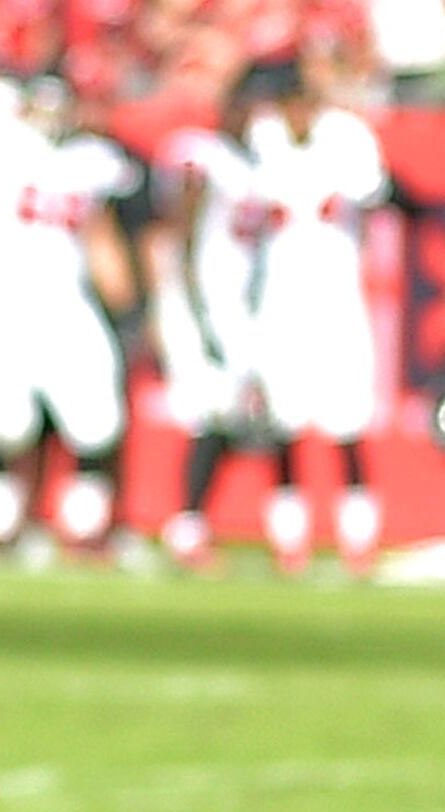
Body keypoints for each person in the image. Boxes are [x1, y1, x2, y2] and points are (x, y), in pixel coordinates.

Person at [0, 74, 142, 560]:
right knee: (8, 423)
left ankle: (83, 528)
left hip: (66, 305)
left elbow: (99, 232)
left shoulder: (91, 161)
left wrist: (121, 292)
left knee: (97, 417)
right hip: (3, 303)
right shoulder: (5, 141)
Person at [240, 60, 391, 573]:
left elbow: (377, 190)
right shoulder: (259, 143)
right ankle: (290, 537)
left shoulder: (346, 139)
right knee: (283, 425)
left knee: (346, 422)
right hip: (279, 304)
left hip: (336, 303)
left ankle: (358, 537)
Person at [153, 68, 281, 569]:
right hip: (200, 300)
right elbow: (181, 237)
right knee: (211, 408)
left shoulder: (257, 166)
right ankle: (186, 526)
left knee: (232, 413)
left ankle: (193, 522)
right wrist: (196, 311)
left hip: (232, 304)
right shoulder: (204, 159)